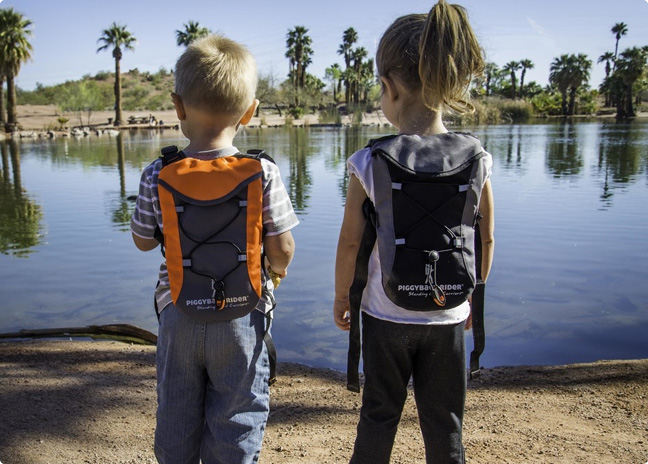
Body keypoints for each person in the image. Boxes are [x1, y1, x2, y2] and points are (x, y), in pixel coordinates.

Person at [333, 2, 495, 463]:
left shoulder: (368, 161)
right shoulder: (477, 158)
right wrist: (468, 297)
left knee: (379, 415)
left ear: (388, 87)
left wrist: (343, 296)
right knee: (445, 422)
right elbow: (485, 239)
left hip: (385, 316)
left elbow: (349, 242)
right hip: (448, 315)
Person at [130, 35, 298, 464]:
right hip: (244, 313)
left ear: (177, 106)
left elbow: (143, 240)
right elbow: (282, 247)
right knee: (238, 412)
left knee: (177, 410)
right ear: (250, 111)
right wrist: (274, 274)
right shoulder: (263, 171)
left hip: (178, 310)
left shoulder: (158, 171)